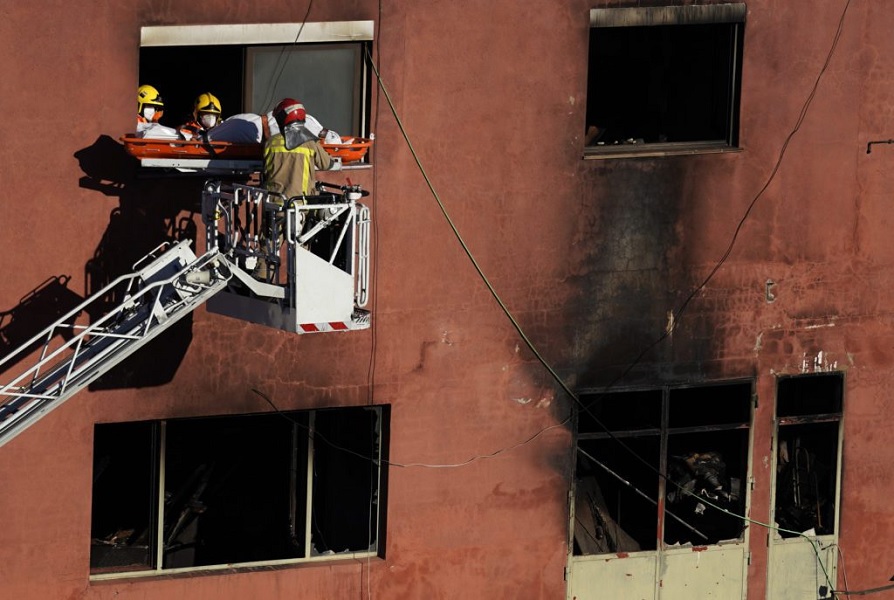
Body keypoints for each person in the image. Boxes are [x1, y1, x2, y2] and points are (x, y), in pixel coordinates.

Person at [254, 98, 338, 281]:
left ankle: (262, 283)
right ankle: (299, 285)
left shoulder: (271, 143)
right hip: (301, 208)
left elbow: (266, 170)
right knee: (301, 250)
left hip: (274, 206)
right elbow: (328, 164)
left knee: (268, 246)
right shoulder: (310, 144)